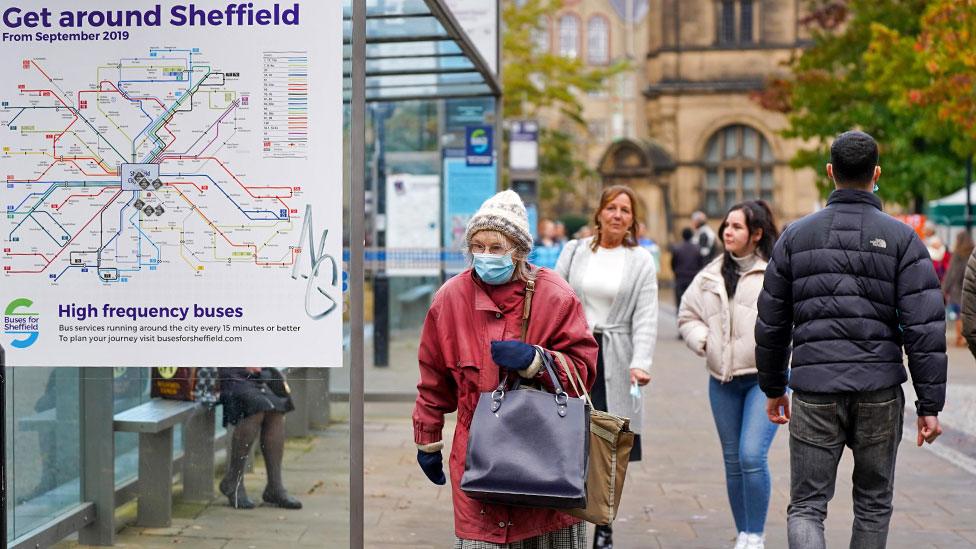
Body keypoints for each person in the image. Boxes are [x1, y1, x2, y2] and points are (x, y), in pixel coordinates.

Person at [756, 131, 946, 549]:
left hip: (814, 388)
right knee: (874, 503)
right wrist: (929, 405)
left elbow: (771, 319)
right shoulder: (902, 240)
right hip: (879, 389)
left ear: (830, 172)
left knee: (807, 505)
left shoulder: (795, 236)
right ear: (876, 174)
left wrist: (773, 387)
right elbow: (924, 327)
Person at [413, 190, 599, 548]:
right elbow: (433, 377)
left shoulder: (555, 295)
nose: (485, 255)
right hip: (477, 461)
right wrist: (427, 439)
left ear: (519, 250)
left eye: (496, 247)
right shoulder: (451, 298)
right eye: (477, 246)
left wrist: (535, 362)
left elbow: (582, 372)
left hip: (547, 463)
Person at [555, 185, 658, 549]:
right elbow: (556, 297)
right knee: (569, 439)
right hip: (575, 355)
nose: (617, 215)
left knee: (608, 446)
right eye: (611, 208)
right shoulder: (574, 251)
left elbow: (646, 316)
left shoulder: (641, 260)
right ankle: (565, 517)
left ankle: (604, 524)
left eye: (625, 210)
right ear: (599, 213)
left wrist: (641, 363)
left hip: (617, 356)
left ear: (632, 219)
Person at [678, 201, 780, 549]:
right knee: (733, 460)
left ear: (757, 234)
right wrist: (705, 342)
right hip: (721, 382)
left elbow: (792, 322)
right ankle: (745, 534)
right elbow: (686, 315)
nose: (728, 232)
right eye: (726, 226)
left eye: (736, 227)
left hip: (763, 380)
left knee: (752, 455)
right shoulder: (709, 274)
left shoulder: (775, 273)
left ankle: (758, 534)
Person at [219, 367, 302, 510]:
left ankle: (275, 486)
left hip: (253, 374)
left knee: (276, 410)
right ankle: (234, 480)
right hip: (227, 372)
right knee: (256, 408)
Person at [942, 230, 974, 347]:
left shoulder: (957, 255)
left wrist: (944, 289)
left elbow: (951, 274)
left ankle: (961, 338)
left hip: (958, 290)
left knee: (959, 316)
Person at [670, 227, 705, 312]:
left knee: (680, 304)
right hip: (693, 279)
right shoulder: (697, 249)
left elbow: (673, 264)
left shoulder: (677, 249)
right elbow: (701, 264)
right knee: (693, 305)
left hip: (680, 279)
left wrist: (677, 273)